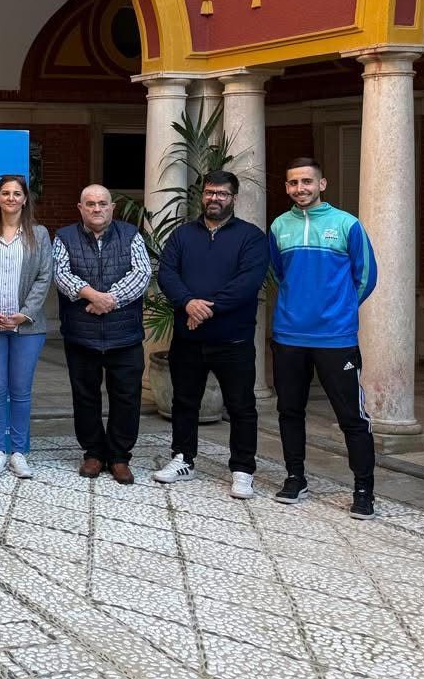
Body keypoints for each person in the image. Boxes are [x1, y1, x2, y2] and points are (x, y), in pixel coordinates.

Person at [268, 157, 378, 519]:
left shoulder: (347, 224)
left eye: (307, 182)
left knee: (351, 416)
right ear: (287, 188)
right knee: (289, 410)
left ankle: (364, 491)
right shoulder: (279, 226)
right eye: (293, 183)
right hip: (289, 334)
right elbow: (277, 273)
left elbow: (366, 277)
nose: (300, 188)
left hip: (335, 337)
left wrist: (341, 311)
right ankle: (295, 477)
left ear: (322, 184)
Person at [155, 169, 269, 499]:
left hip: (232, 340)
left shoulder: (251, 237)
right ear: (201, 196)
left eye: (221, 194)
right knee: (184, 401)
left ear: (233, 198)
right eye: (209, 193)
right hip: (188, 339)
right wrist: (188, 302)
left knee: (241, 405)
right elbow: (167, 274)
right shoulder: (182, 235)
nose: (214, 198)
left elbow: (247, 283)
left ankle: (243, 469)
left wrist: (205, 310)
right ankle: (183, 459)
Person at [52, 184, 151, 485]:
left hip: (125, 336)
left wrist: (110, 299)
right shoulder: (64, 237)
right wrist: (91, 294)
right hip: (82, 335)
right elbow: (61, 273)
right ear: (80, 208)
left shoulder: (131, 235)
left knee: (127, 398)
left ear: (112, 208)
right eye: (90, 204)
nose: (97, 209)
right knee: (85, 397)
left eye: (103, 203)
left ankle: (120, 457)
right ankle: (93, 453)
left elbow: (142, 273)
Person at [0, 174, 53, 480]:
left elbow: (45, 276)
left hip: (27, 327)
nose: (11, 198)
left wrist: (25, 313)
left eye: (17, 193)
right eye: (5, 193)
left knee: (20, 390)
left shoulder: (39, 234)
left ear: (25, 199)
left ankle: (18, 453)